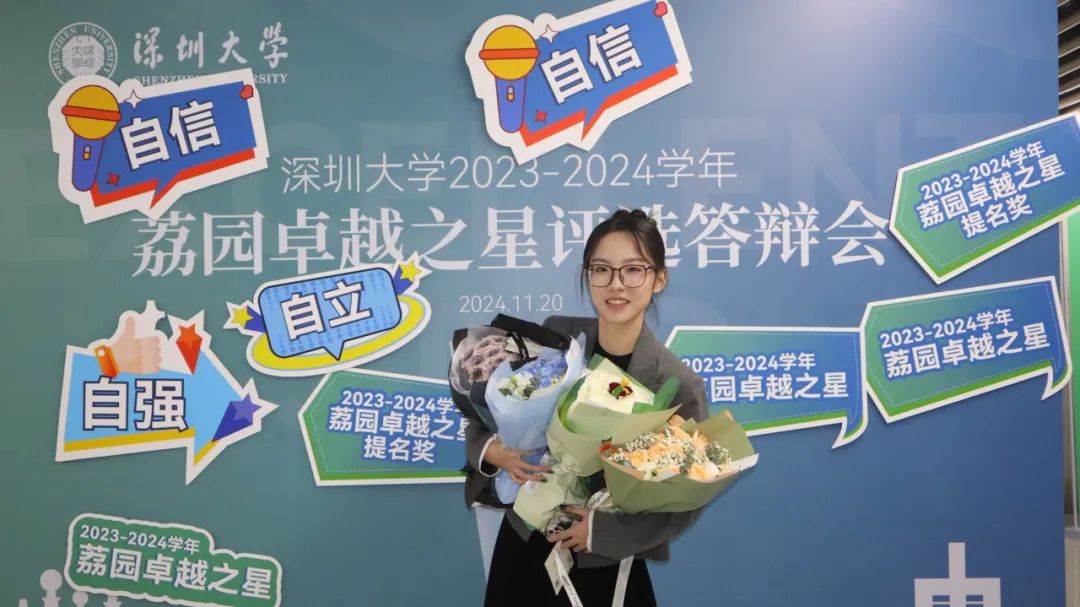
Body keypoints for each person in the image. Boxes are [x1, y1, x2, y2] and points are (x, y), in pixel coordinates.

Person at [464, 209, 709, 606]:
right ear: (587, 275)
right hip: (524, 546)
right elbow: (486, 409)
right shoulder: (557, 337)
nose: (616, 284)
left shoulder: (676, 383)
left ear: (659, 279)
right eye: (602, 269)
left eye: (633, 270)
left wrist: (599, 532)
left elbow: (685, 498)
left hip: (602, 562)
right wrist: (493, 452)